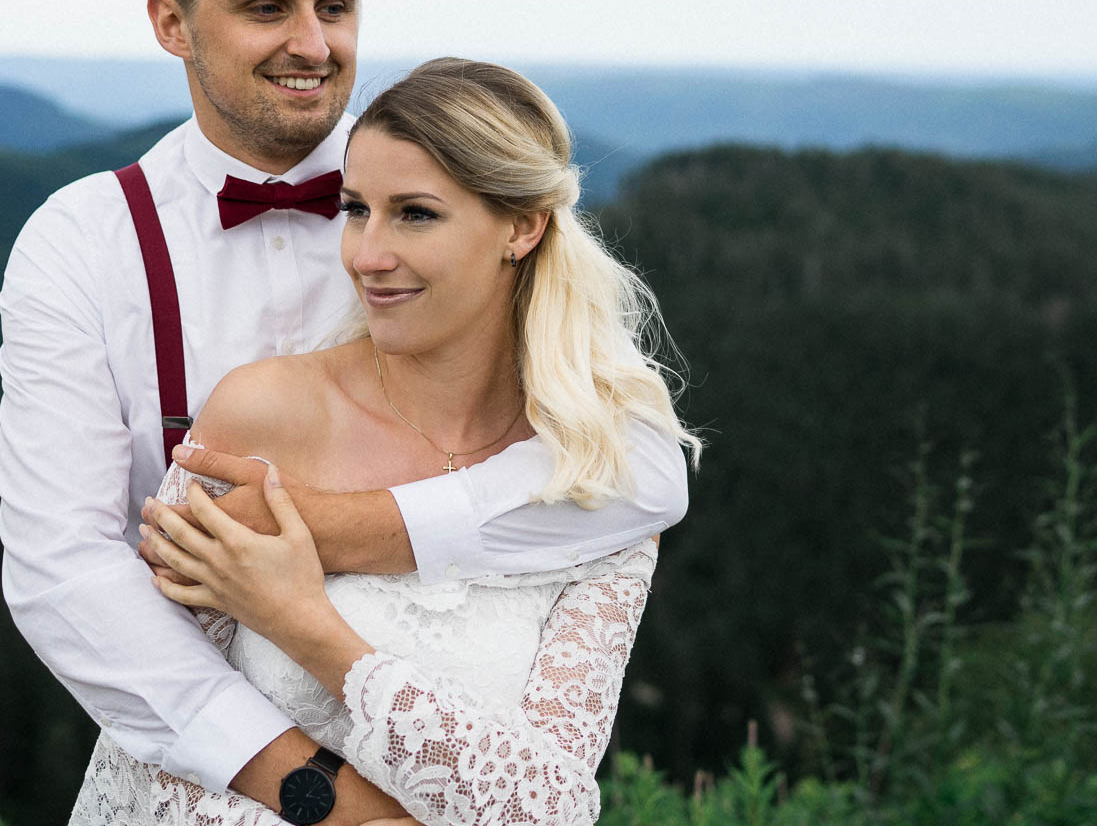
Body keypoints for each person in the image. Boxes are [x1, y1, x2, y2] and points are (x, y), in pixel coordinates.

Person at [0, 0, 691, 826]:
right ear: (172, 22)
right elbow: (65, 570)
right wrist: (329, 801)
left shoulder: (443, 175)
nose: (314, 44)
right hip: (201, 771)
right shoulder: (84, 242)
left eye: (337, 5)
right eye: (266, 6)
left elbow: (649, 474)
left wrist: (325, 528)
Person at [77, 57, 700, 826]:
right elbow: (150, 740)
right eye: (355, 208)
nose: (366, 254)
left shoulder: (597, 485)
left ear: (523, 225)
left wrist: (306, 627)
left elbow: (547, 810)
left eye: (415, 214)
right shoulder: (260, 418)